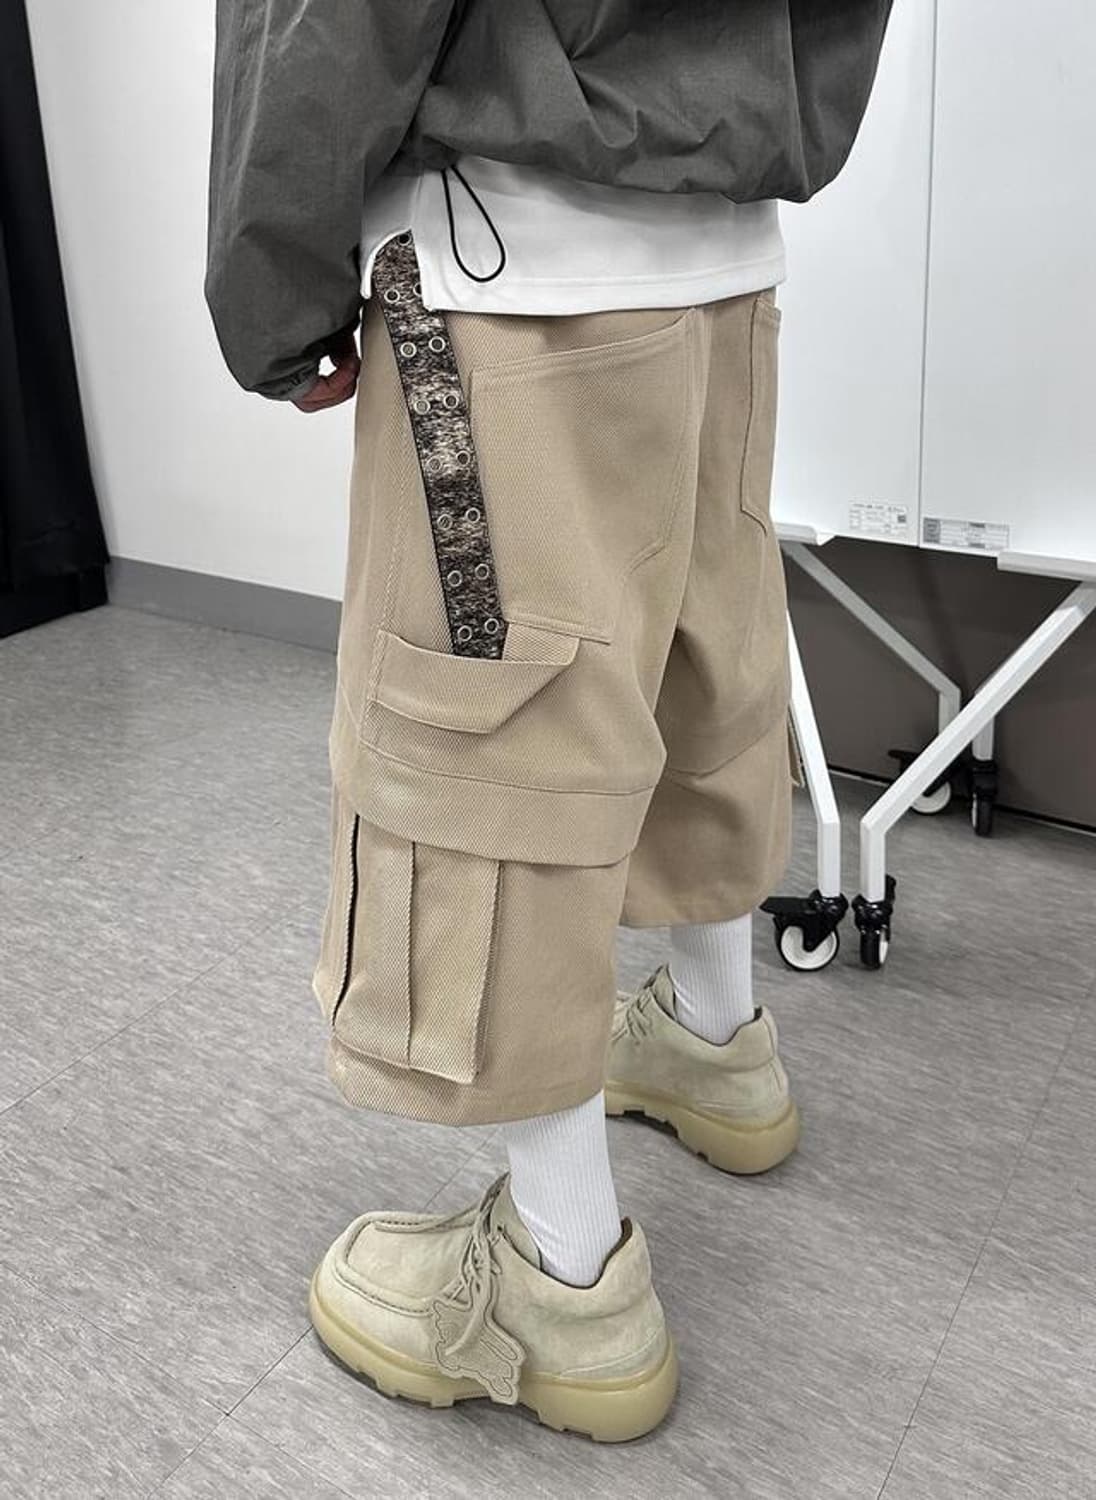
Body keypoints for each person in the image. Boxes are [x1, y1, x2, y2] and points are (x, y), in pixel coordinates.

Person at [206, 0, 891, 1441]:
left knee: (496, 750)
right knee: (701, 665)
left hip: (509, 264)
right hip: (727, 255)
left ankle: (563, 1281)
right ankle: (714, 1039)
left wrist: (273, 280)